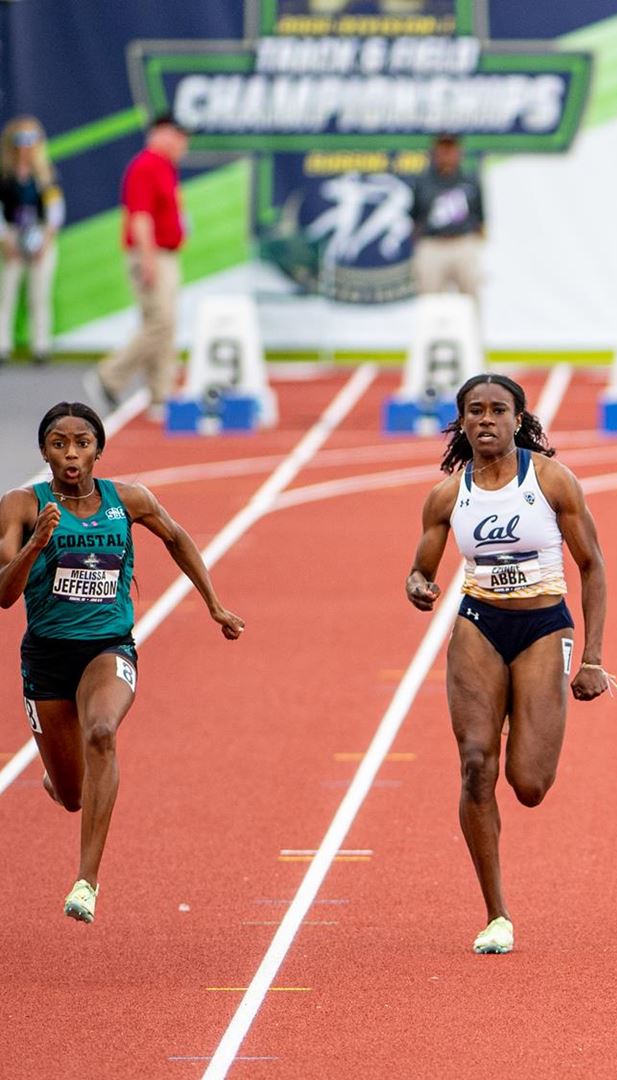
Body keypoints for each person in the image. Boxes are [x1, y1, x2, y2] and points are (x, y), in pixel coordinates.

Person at [0, 403, 244, 922]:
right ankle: (59, 776)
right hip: (45, 658)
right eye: (60, 443)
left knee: (103, 731)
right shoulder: (21, 506)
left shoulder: (128, 499)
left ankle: (86, 881)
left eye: (82, 443)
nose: (71, 454)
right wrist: (34, 545)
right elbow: (3, 595)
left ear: (98, 449)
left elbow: (177, 538)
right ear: (43, 451)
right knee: (70, 796)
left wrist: (214, 603)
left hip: (108, 648)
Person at [405, 373, 613, 954]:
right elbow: (420, 567)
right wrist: (418, 584)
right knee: (475, 764)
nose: (487, 420)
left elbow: (592, 565)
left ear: (519, 420)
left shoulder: (550, 481)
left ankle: (518, 708)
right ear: (462, 421)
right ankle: (496, 913)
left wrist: (592, 658)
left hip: (543, 625)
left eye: (499, 410)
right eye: (476, 411)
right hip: (478, 623)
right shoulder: (447, 496)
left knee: (528, 784)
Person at [89, 114, 189, 414]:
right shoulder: (146, 166)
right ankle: (109, 376)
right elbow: (140, 216)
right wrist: (147, 258)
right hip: (152, 253)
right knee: (161, 322)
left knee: (162, 325)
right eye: (179, 135)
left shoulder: (164, 167)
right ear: (162, 133)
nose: (184, 143)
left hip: (164, 253)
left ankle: (160, 393)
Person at [0, 116, 64, 366]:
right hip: (13, 236)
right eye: (20, 140)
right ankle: (3, 346)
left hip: (39, 234)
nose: (25, 146)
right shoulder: (5, 175)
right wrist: (6, 241)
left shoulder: (46, 176)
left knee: (39, 294)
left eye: (30, 140)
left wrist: (45, 242)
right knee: (7, 291)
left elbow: (55, 212)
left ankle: (41, 346)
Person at [410, 133, 486, 302]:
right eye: (442, 148)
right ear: (434, 152)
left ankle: (473, 329)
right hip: (433, 245)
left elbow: (480, 217)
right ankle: (430, 329)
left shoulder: (470, 180)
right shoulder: (423, 182)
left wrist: (476, 242)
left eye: (451, 148)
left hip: (463, 243)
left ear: (459, 152)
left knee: (472, 296)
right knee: (428, 298)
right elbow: (414, 217)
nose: (447, 153)